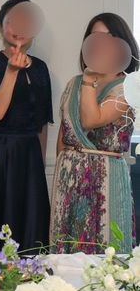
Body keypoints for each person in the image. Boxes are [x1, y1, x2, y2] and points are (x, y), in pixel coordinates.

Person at [50, 13, 138, 253]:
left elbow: (91, 120)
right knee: (66, 254)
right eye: (95, 37)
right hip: (69, 179)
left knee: (104, 254)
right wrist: (62, 175)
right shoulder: (73, 83)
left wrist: (89, 80)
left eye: (108, 37)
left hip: (106, 181)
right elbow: (65, 133)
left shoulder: (129, 87)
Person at [0, 0, 53, 250]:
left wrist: (40, 165)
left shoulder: (41, 68)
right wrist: (11, 71)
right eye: (13, 21)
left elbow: (42, 123)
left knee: (31, 221)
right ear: (1, 27)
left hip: (30, 154)